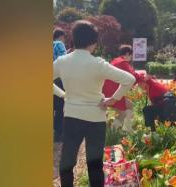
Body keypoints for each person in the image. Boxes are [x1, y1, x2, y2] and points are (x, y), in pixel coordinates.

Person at [53, 20, 135, 187]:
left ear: (73, 40)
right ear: (94, 42)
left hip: (71, 116)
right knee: (95, 165)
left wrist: (63, 95)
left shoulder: (62, 61)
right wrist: (113, 99)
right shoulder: (98, 64)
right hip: (96, 118)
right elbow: (129, 79)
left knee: (67, 162)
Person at [102, 45, 146, 132]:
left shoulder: (116, 60)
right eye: (131, 55)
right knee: (124, 113)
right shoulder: (123, 62)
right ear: (127, 54)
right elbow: (133, 75)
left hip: (108, 90)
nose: (131, 58)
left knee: (129, 106)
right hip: (113, 92)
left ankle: (126, 128)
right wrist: (143, 77)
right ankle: (113, 131)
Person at [53, 28, 67, 142]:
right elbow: (64, 60)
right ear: (61, 36)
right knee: (59, 107)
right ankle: (58, 135)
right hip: (57, 78)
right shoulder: (59, 44)